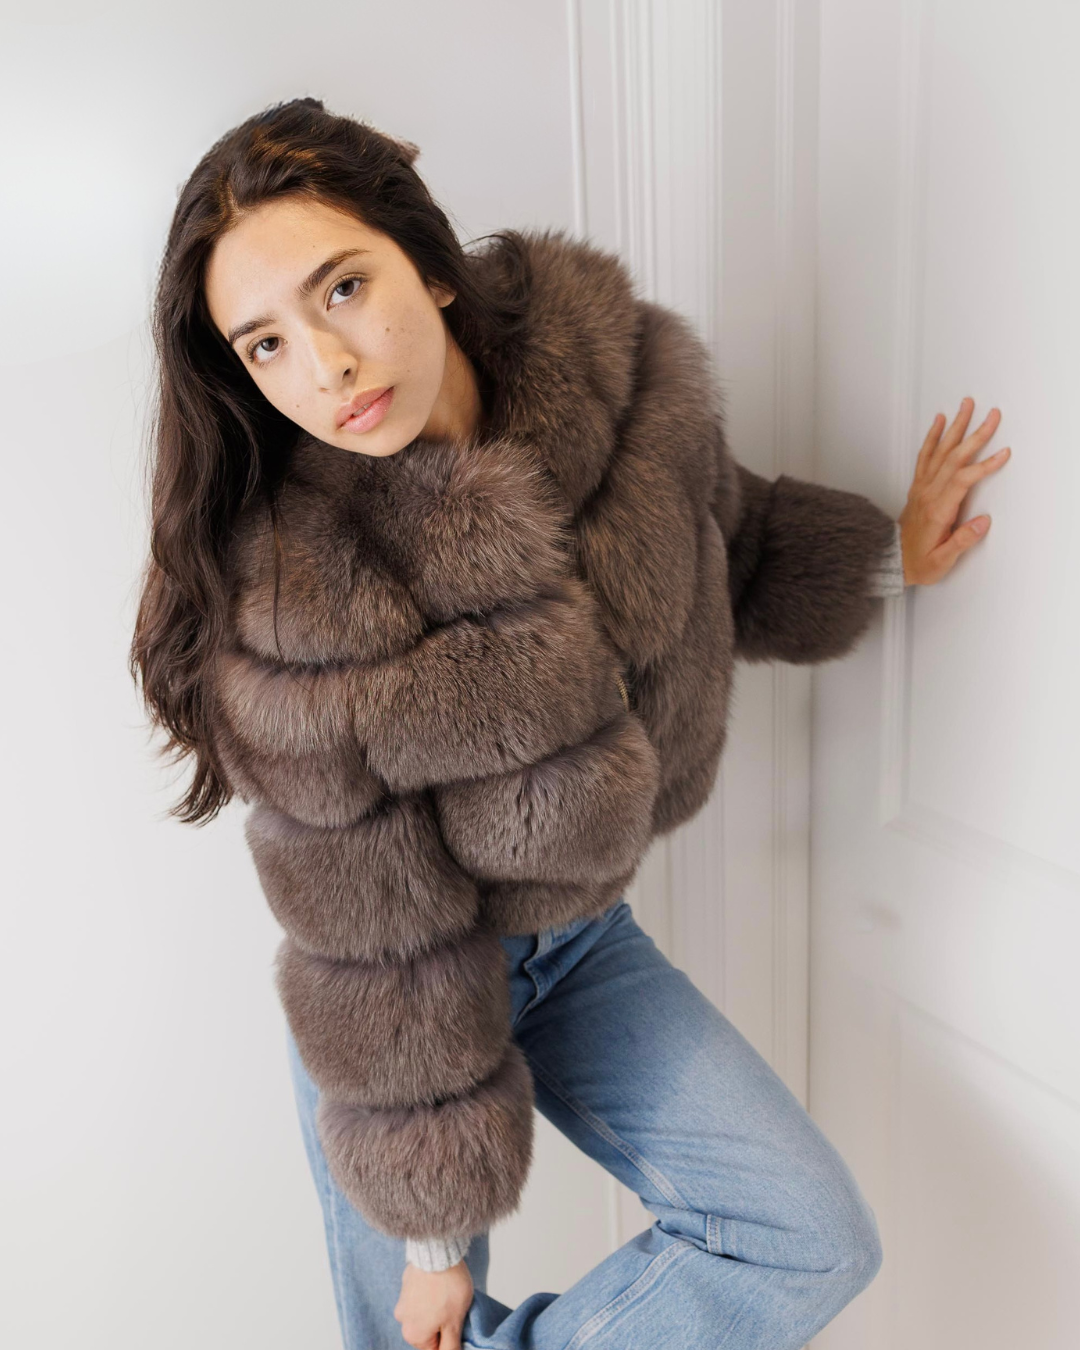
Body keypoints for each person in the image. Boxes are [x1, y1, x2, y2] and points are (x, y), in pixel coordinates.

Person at [130, 96, 1011, 1350]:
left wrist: (890, 558)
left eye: (342, 289)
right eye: (264, 344)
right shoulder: (299, 600)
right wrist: (433, 1243)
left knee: (808, 1234)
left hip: (585, 946)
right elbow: (371, 934)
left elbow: (730, 538)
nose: (324, 367)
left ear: (430, 265)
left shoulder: (622, 385)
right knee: (409, 1331)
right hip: (398, 1014)